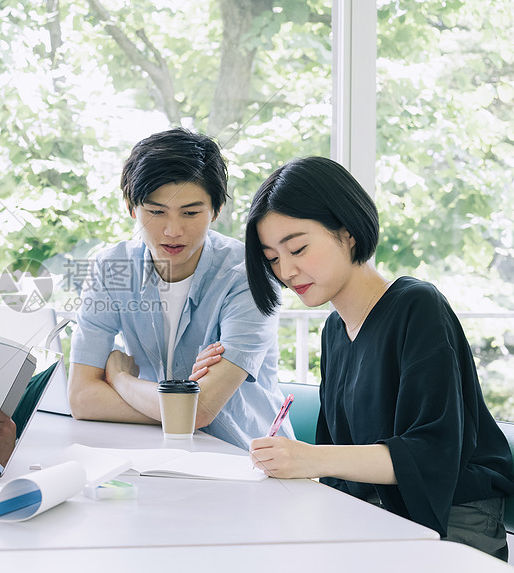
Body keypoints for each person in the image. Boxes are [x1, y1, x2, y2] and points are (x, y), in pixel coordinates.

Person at [195, 155, 514, 558]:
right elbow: (342, 465)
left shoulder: (418, 306)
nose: (287, 271)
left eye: (298, 248)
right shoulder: (335, 331)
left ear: (346, 233)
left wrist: (311, 459)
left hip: (452, 520)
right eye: (273, 259)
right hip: (381, 514)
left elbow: (431, 453)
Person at [68, 128, 292, 448]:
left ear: (216, 210)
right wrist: (177, 409)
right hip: (156, 450)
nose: (173, 230)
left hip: (245, 456)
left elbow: (198, 412)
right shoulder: (111, 269)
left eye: (190, 212)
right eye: (156, 211)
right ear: (133, 209)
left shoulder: (247, 276)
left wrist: (120, 379)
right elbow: (81, 398)